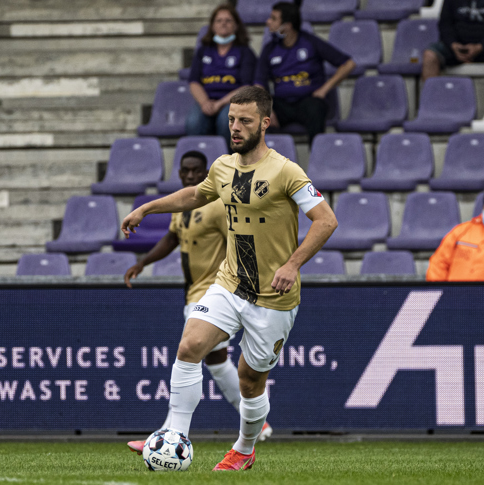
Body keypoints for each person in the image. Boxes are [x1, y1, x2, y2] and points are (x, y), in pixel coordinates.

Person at [121, 86, 337, 471]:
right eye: (232, 120)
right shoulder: (223, 167)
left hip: (272, 297)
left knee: (250, 381)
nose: (235, 128)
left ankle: (244, 448)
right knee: (189, 347)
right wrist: (147, 208)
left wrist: (292, 264)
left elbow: (326, 220)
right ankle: (176, 436)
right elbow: (194, 197)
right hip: (229, 282)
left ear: (265, 124)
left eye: (245, 121)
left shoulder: (286, 171)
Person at [123, 150, 272, 454]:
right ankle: (258, 422)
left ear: (206, 173)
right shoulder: (183, 207)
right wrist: (143, 262)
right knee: (215, 361)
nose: (190, 176)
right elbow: (172, 239)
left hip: (214, 290)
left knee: (189, 354)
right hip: (193, 291)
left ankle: (167, 434)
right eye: (185, 171)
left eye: (196, 171)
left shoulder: (218, 205)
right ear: (179, 173)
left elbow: (238, 238)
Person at [255, 2, 356, 142]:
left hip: (308, 101)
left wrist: (325, 89)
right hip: (282, 104)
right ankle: (271, 161)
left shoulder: (310, 42)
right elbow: (259, 84)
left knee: (316, 108)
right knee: (258, 115)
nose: (268, 22)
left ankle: (317, 159)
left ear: (287, 25)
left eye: (273, 19)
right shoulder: (269, 48)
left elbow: (349, 64)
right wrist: (267, 110)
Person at [187, 5, 256, 141]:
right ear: (212, 26)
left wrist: (220, 104)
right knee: (193, 123)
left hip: (233, 101)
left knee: (227, 122)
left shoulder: (245, 52)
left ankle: (230, 160)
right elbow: (194, 81)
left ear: (236, 26)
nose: (223, 23)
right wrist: (204, 102)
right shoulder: (203, 51)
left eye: (228, 20)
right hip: (207, 100)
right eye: (219, 20)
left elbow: (246, 87)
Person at [422, 0, 484, 80]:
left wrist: (481, 46)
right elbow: (445, 24)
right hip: (458, 47)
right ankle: (433, 101)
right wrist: (453, 45)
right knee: (430, 56)